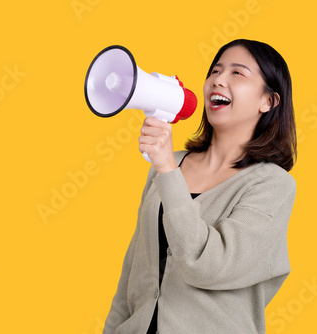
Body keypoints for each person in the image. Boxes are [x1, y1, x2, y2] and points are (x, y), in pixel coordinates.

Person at [102, 39, 297, 334]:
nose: (218, 79)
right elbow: (134, 269)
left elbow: (208, 265)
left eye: (237, 73)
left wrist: (167, 170)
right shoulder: (171, 162)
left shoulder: (273, 185)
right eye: (215, 71)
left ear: (267, 101)